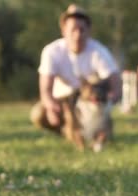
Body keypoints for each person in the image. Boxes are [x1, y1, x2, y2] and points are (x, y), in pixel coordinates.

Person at [31, 4, 121, 134]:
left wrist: (107, 104)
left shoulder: (99, 52)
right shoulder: (51, 51)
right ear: (63, 30)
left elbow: (115, 82)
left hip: (91, 103)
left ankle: (93, 133)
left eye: (81, 29)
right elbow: (45, 89)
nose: (77, 34)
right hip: (63, 101)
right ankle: (65, 131)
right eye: (73, 29)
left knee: (98, 122)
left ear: (89, 31)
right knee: (38, 113)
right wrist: (51, 107)